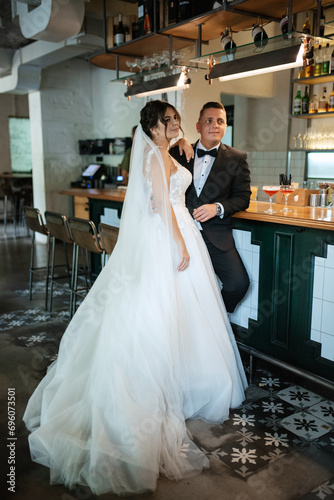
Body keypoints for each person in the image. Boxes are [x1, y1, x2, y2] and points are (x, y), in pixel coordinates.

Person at [23, 100, 247, 497]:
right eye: (171, 122)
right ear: (155, 128)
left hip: (176, 231)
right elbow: (161, 208)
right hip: (170, 236)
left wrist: (187, 152)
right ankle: (168, 385)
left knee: (183, 312)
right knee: (161, 311)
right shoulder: (157, 159)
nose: (176, 126)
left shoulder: (166, 152)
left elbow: (174, 187)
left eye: (179, 121)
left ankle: (186, 378)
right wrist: (179, 242)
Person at [170, 101, 251, 313]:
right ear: (198, 126)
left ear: (225, 126)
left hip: (216, 237)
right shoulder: (177, 153)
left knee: (238, 284)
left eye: (220, 121)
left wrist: (218, 207)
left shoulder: (237, 158)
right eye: (209, 121)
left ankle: (213, 319)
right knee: (179, 287)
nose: (215, 125)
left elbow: (243, 198)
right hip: (182, 234)